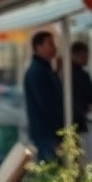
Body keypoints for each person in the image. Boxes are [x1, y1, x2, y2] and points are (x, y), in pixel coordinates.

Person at [23, 30, 64, 162]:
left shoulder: (45, 69)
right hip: (47, 134)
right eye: (50, 44)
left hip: (49, 133)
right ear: (39, 47)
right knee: (50, 169)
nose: (54, 47)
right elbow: (48, 103)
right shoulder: (37, 71)